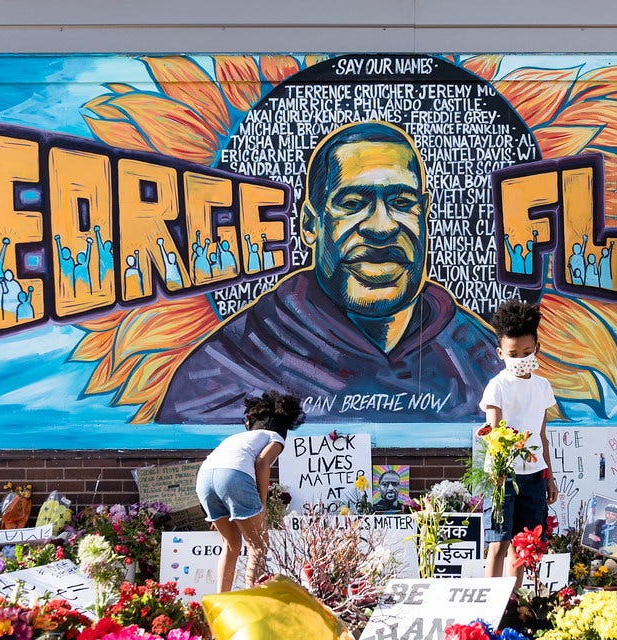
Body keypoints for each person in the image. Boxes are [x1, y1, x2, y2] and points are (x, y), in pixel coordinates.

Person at [155, 121, 502, 423]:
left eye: (402, 203)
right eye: (352, 204)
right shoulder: (228, 368)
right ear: (310, 223)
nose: (381, 228)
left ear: (424, 215)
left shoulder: (479, 358)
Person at [479, 300, 558, 586]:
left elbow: (542, 435)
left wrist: (549, 477)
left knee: (523, 545)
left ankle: (512, 603)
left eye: (526, 352)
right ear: (501, 353)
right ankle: (489, 602)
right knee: (498, 543)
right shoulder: (497, 386)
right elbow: (493, 432)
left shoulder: (542, 386)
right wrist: (497, 472)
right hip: (502, 476)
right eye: (513, 354)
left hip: (534, 475)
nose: (520, 358)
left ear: (537, 348)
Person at [195, 390, 305, 592]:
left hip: (204, 478)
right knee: (259, 545)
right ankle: (252, 599)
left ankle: (222, 600)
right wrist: (262, 503)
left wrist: (215, 514)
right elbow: (262, 462)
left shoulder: (238, 439)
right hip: (233, 476)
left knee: (230, 545)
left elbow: (218, 472)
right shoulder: (275, 437)